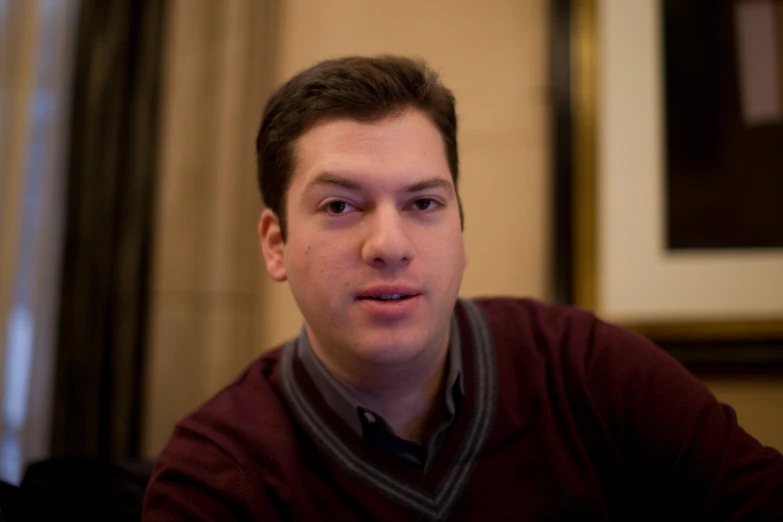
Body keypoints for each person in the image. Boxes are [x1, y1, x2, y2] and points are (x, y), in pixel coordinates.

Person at [142, 55, 783, 521]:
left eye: (423, 202)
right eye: (340, 206)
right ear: (275, 244)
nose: (389, 244)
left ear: (461, 229)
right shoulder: (215, 479)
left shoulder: (587, 369)